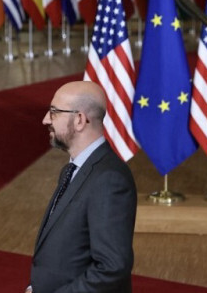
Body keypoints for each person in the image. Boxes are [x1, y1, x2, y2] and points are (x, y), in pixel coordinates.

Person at [27, 81, 137, 293]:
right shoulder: (72, 170)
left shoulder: (109, 179)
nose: (45, 120)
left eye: (54, 112)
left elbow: (111, 268)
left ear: (79, 120)